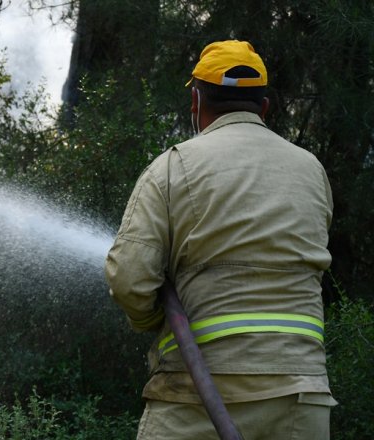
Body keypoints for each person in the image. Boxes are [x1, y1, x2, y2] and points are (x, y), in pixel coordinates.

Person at [104, 40, 337, 439]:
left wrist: (151, 318)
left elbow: (129, 278)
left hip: (196, 398)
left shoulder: (172, 167)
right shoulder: (311, 170)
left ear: (196, 101)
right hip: (301, 394)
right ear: (263, 108)